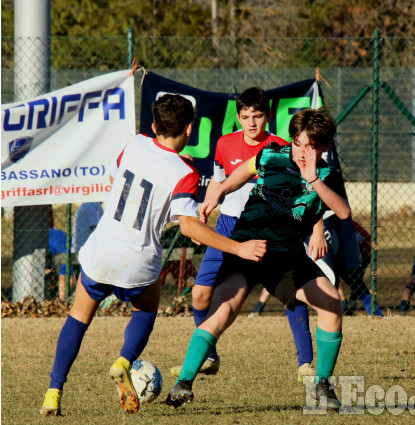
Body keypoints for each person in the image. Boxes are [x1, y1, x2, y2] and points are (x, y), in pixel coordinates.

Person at [40, 94, 266, 416]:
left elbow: (122, 182)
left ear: (154, 126)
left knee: (77, 320)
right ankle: (124, 360)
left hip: (101, 250)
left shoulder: (134, 144)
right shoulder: (184, 172)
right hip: (137, 262)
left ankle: (53, 393)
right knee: (145, 312)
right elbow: (189, 228)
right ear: (189, 129)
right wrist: (238, 247)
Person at [165, 108, 351, 412]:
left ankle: (322, 385)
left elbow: (342, 212)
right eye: (300, 143)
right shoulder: (272, 155)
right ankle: (183, 384)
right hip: (247, 246)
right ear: (292, 140)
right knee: (224, 310)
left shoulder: (326, 175)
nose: (305, 152)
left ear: (325, 147)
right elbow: (246, 172)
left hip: (286, 257)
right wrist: (219, 192)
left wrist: (313, 179)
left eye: (313, 146)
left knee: (331, 300)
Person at [249, 219, 384, 317]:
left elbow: (365, 245)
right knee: (294, 282)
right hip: (331, 255)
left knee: (352, 284)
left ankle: (373, 313)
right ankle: (266, 310)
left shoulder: (344, 225)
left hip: (345, 257)